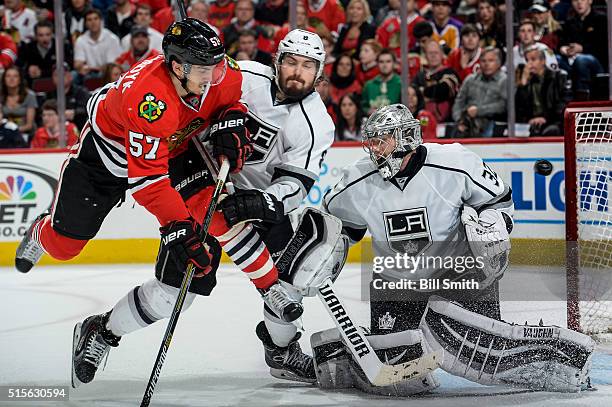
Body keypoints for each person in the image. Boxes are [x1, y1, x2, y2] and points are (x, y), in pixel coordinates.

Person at [66, 28, 334, 387]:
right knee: (175, 293)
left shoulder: (317, 123)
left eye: (307, 65)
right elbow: (195, 97)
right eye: (290, 61)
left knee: (291, 281)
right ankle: (101, 330)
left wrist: (267, 200)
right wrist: (229, 118)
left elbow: (298, 184)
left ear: (319, 72)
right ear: (277, 60)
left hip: (262, 204)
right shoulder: (245, 75)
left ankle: (281, 350)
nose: (296, 72)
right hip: (196, 176)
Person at [317, 103, 593, 395]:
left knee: (487, 354)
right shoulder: (355, 180)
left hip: (458, 275)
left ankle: (552, 355)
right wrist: (324, 251)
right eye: (372, 140)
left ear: (407, 137)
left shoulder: (455, 161)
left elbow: (499, 201)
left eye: (382, 139)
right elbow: (340, 228)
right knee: (399, 376)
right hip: (395, 284)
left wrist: (492, 224)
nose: (375, 148)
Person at [452, 47, 507, 137]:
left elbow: (503, 105)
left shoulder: (504, 80)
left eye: (491, 61)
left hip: (490, 122)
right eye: (483, 61)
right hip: (466, 121)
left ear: (498, 63)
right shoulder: (470, 79)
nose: (486, 64)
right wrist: (459, 120)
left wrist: (479, 111)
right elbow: (458, 102)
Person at [515, 45, 568, 136]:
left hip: (553, 121)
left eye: (533, 59)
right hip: (531, 123)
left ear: (543, 61)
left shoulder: (559, 77)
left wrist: (545, 119)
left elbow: (563, 105)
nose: (529, 64)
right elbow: (519, 109)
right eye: (527, 61)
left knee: (551, 131)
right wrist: (523, 84)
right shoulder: (527, 81)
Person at [558, 0, 607, 97]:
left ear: (590, 1)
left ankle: (582, 97)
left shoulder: (602, 20)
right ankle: (560, 101)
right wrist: (563, 49)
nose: (579, 3)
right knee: (556, 59)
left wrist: (582, 49)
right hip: (571, 61)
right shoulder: (569, 22)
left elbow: (604, 46)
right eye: (575, 0)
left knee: (582, 60)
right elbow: (562, 43)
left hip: (596, 63)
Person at [412, 40, 460, 122]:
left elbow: (444, 90)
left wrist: (423, 91)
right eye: (430, 53)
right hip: (422, 121)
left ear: (442, 55)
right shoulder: (420, 75)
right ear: (425, 56)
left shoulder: (450, 72)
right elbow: (413, 95)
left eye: (436, 53)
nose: (433, 56)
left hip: (447, 122)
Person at [73, 8, 122, 78]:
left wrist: (95, 68)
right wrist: (81, 67)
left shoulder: (112, 39)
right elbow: (77, 64)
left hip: (107, 74)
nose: (93, 22)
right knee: (74, 75)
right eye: (89, 20)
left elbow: (113, 65)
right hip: (88, 74)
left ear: (101, 21)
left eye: (95, 19)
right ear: (86, 23)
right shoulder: (81, 40)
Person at [46, 63, 91, 130]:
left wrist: (75, 112)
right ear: (52, 78)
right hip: (56, 130)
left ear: (70, 76)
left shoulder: (81, 92)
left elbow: (88, 109)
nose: (60, 77)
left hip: (78, 128)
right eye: (56, 75)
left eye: (63, 74)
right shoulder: (49, 95)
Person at [0, 66, 37, 142]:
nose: (11, 79)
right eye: (8, 76)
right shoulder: (1, 96)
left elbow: (29, 125)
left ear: (20, 80)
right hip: (4, 134)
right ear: (4, 79)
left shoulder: (30, 96)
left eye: (15, 76)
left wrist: (13, 132)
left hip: (26, 134)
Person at [361, 49, 402, 114]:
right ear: (377, 64)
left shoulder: (400, 84)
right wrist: (368, 111)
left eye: (388, 61)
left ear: (394, 63)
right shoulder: (369, 85)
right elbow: (362, 106)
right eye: (381, 62)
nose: (384, 65)